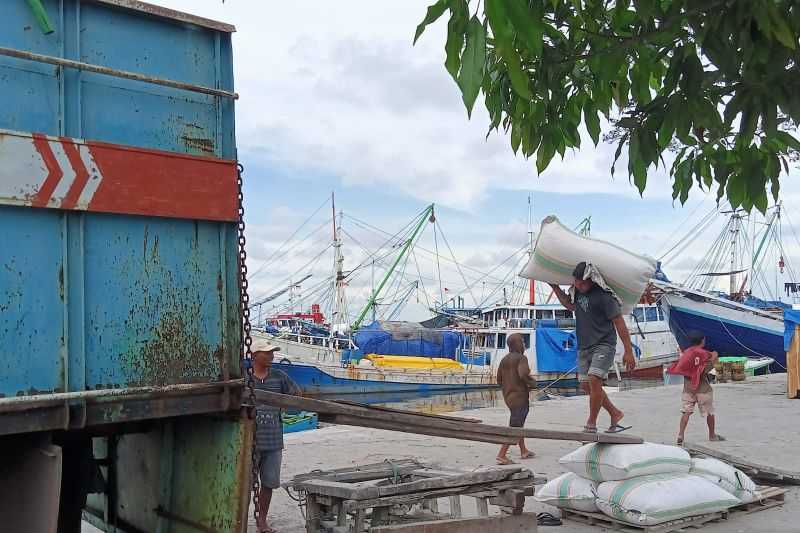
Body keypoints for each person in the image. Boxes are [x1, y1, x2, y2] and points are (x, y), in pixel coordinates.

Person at [549, 261, 636, 433]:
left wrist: (628, 351)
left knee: (594, 380)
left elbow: (619, 322)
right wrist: (554, 286)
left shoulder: (605, 297)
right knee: (586, 386)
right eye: (576, 283)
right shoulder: (579, 294)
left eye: (582, 283)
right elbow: (569, 305)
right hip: (584, 346)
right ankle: (615, 413)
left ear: (591, 279)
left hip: (604, 344)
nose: (579, 286)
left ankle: (591, 422)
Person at [251, 342, 300, 533]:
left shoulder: (279, 377)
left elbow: (296, 394)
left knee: (269, 483)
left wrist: (281, 408)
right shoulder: (246, 378)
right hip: (249, 442)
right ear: (255, 355)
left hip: (273, 441)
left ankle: (262, 521)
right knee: (245, 483)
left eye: (272, 353)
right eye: (267, 353)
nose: (271, 356)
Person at [669, 331, 724, 445]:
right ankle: (712, 435)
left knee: (686, 412)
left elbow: (681, 367)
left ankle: (681, 434)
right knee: (709, 412)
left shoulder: (687, 353)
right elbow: (710, 359)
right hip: (702, 387)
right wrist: (715, 354)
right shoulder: (704, 353)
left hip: (688, 388)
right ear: (702, 341)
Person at [496, 333, 536, 464]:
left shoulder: (504, 360)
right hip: (520, 397)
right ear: (518, 344)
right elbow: (523, 373)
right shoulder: (521, 358)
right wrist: (532, 383)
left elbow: (499, 380)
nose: (524, 344)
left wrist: (509, 388)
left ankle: (523, 450)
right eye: (523, 342)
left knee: (519, 423)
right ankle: (502, 455)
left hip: (508, 397)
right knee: (515, 426)